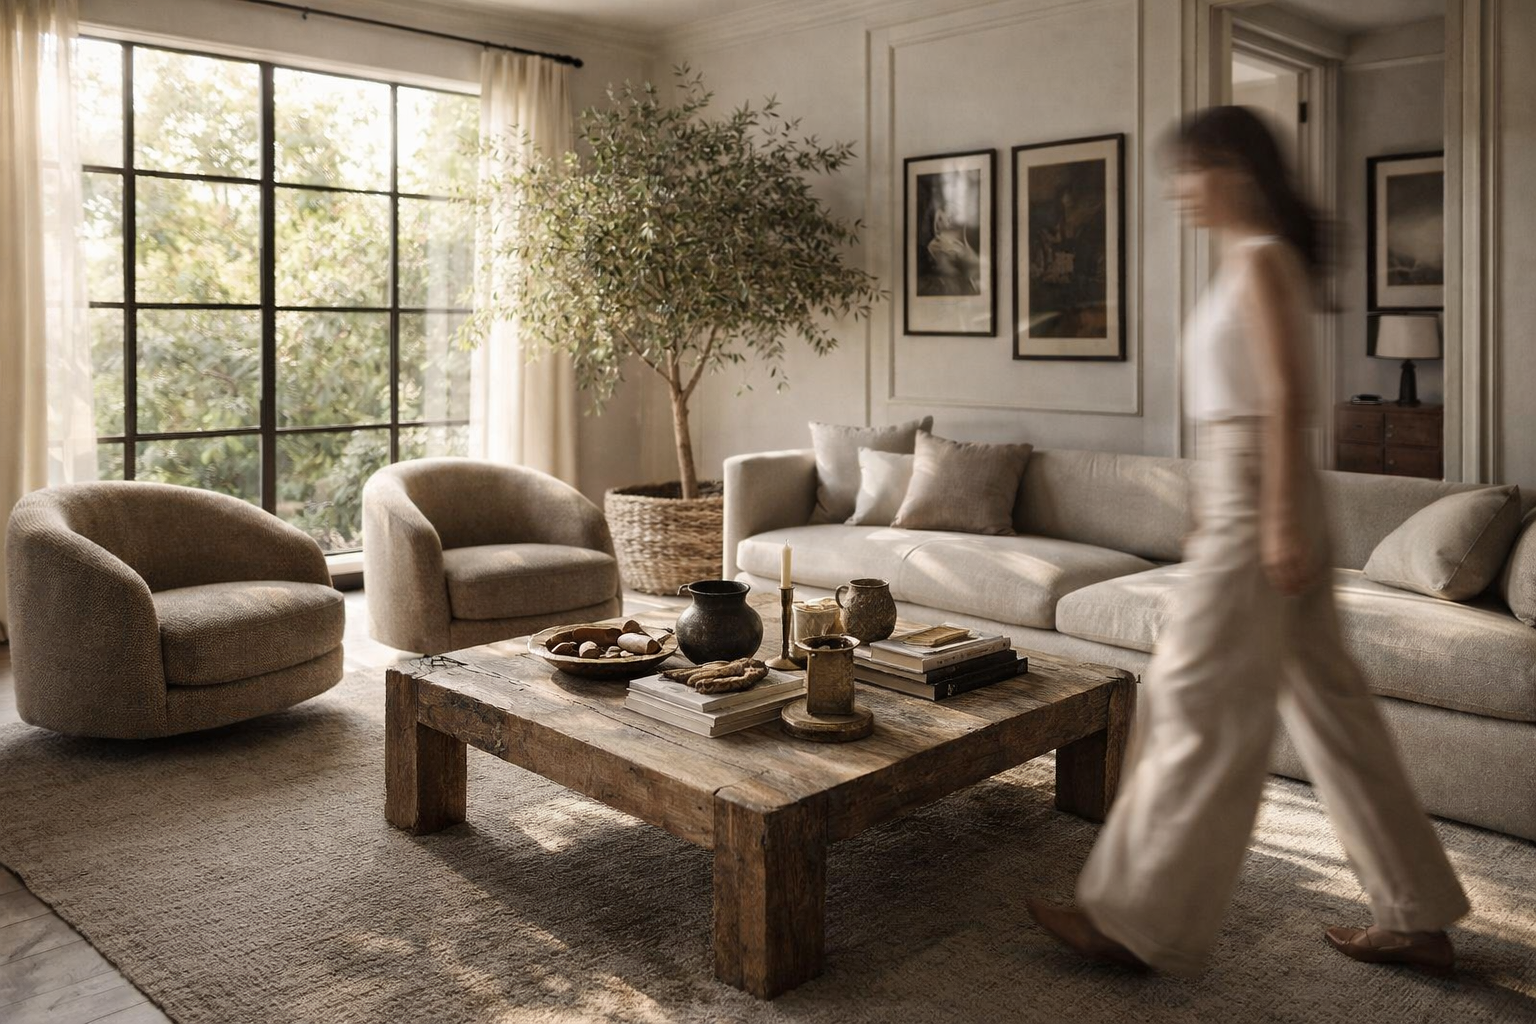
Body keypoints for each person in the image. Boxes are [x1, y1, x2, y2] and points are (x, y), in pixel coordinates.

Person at [1027, 106, 1469, 977]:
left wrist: (1274, 521)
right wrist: (1214, 508)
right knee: (1336, 718)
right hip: (1243, 498)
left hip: (1262, 504)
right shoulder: (1245, 262)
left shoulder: (1263, 261)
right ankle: (1414, 913)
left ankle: (1131, 918)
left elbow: (1288, 399)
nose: (1178, 189)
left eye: (1189, 170)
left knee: (1190, 704)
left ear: (1233, 170)